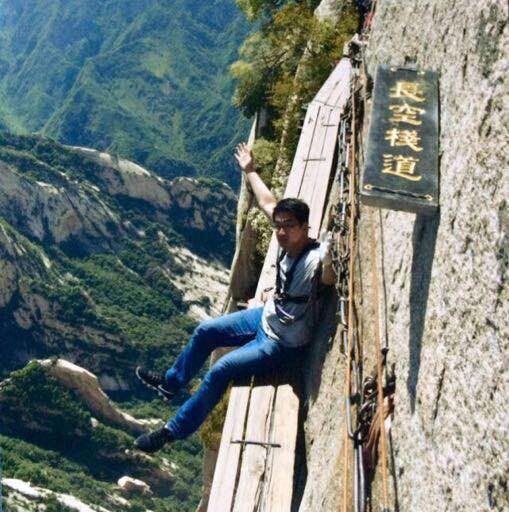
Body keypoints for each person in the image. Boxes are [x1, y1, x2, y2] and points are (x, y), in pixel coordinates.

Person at [134, 142, 335, 453]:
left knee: (220, 371)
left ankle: (170, 432)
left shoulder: (314, 260)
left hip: (282, 344)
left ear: (305, 227)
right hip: (266, 316)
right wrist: (250, 170)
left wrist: (331, 253)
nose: (281, 231)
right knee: (205, 331)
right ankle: (171, 383)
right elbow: (267, 201)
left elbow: (329, 276)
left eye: (289, 227)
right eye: (279, 225)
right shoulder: (285, 237)